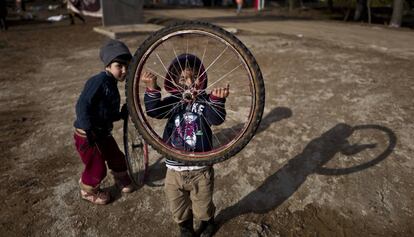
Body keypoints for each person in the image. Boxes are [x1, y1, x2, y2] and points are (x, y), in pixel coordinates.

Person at [142, 54, 230, 237]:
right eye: (183, 78)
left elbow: (217, 118)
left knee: (203, 205)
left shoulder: (205, 101)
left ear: (202, 79)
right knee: (178, 206)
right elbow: (154, 110)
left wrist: (217, 100)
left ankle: (207, 224)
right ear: (175, 82)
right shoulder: (174, 102)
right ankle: (185, 227)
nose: (189, 82)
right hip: (174, 170)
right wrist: (152, 89)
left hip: (201, 169)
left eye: (194, 77)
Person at [73, 39, 134, 205]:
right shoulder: (98, 81)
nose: (124, 70)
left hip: (102, 132)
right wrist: (88, 128)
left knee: (116, 156)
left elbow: (105, 112)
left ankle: (120, 177)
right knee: (97, 167)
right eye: (119, 66)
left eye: (127, 66)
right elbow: (82, 104)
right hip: (88, 134)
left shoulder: (111, 84)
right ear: (108, 65)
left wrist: (119, 114)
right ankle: (87, 190)